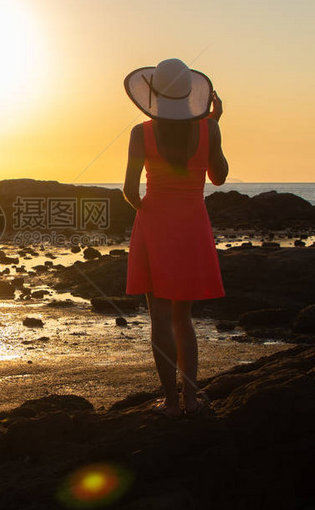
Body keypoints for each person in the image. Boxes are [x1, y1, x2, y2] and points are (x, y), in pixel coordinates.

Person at [122, 58, 228, 418]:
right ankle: (192, 400)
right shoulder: (208, 129)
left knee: (160, 319)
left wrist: (150, 209)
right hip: (192, 225)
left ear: (153, 93)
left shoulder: (142, 132)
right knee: (184, 319)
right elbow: (220, 177)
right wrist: (214, 126)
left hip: (155, 224)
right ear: (190, 93)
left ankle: (169, 402)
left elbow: (129, 191)